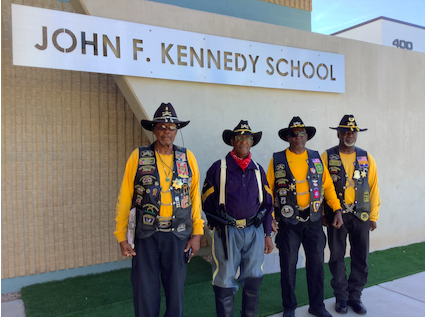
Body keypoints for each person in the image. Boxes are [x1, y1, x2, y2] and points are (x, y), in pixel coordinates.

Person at [114, 102, 204, 317]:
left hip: (178, 235)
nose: (167, 131)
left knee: (176, 294)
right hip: (146, 236)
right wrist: (121, 235)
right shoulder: (138, 156)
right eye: (162, 126)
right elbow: (125, 198)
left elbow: (195, 199)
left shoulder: (187, 157)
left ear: (176, 131)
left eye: (171, 127)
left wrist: (198, 233)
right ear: (154, 129)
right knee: (145, 292)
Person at [266, 116, 343, 317]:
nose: (298, 137)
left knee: (317, 266)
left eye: (301, 134)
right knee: (288, 267)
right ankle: (289, 307)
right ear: (288, 138)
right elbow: (268, 191)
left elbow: (327, 186)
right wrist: (270, 218)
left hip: (314, 222)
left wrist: (336, 210)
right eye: (293, 134)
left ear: (306, 136)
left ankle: (317, 306)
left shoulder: (316, 158)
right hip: (288, 223)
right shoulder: (277, 160)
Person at [202, 120, 274, 317]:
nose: (244, 141)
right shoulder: (218, 168)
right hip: (227, 232)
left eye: (248, 138)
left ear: (252, 142)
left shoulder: (258, 170)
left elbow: (267, 205)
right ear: (232, 141)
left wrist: (267, 234)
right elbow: (206, 202)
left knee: (253, 278)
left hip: (255, 232)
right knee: (224, 280)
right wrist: (217, 225)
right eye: (239, 138)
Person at [322, 115, 381, 315]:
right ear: (338, 133)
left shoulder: (366, 157)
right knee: (337, 256)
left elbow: (373, 187)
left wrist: (374, 215)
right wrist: (323, 212)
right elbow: (318, 185)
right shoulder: (327, 156)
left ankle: (355, 296)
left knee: (361, 256)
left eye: (353, 131)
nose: (350, 135)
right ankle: (341, 297)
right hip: (336, 216)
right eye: (346, 131)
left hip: (361, 216)